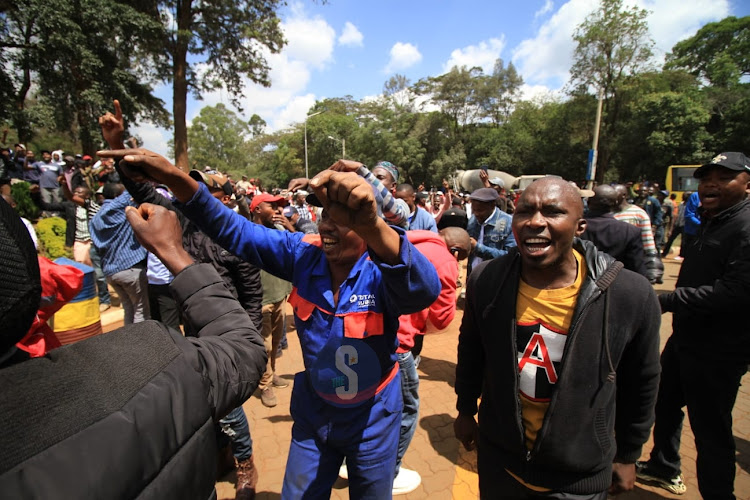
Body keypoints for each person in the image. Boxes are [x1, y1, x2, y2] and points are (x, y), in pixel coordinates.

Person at [96, 147, 441, 499]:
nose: (327, 226)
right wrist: (173, 177)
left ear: (366, 228)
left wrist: (375, 226)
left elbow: (424, 290)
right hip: (315, 413)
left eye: (344, 219)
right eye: (325, 216)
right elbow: (234, 230)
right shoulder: (302, 254)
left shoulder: (384, 268)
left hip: (374, 416)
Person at [0, 197, 268, 499]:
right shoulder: (160, 363)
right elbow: (241, 354)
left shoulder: (153, 356)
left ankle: (241, 458)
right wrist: (173, 251)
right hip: (200, 314)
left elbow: (250, 293)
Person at [454, 177, 661, 499]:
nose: (535, 222)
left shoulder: (629, 294)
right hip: (501, 465)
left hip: (577, 478)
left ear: (580, 226)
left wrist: (628, 454)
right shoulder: (488, 280)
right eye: (525, 211)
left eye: (552, 212)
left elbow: (642, 380)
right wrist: (465, 409)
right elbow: (472, 351)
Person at [636, 152, 750, 499]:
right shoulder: (711, 218)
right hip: (686, 338)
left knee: (711, 429)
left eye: (724, 177)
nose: (711, 184)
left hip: (720, 349)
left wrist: (667, 300)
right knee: (665, 404)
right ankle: (664, 466)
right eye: (706, 178)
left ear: (747, 184)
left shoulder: (745, 226)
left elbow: (736, 293)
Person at [90, 183, 150, 324]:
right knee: (141, 311)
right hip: (130, 268)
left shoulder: (95, 219)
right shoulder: (120, 208)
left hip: (111, 272)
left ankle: (128, 343)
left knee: (128, 308)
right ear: (118, 196)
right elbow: (134, 188)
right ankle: (142, 343)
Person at [581, 185, 647, 277]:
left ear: (588, 203)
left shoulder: (574, 227)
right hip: (616, 282)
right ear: (615, 203)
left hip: (580, 282)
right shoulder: (630, 231)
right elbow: (636, 267)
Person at [466, 187, 516, 275]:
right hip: (473, 275)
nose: (476, 214)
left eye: (480, 210)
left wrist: (478, 248)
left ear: (492, 205)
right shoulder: (472, 221)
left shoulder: (508, 223)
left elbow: (511, 256)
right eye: (474, 210)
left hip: (496, 276)